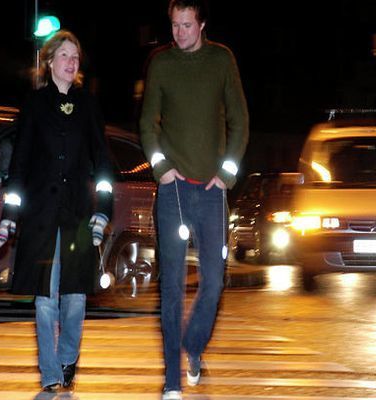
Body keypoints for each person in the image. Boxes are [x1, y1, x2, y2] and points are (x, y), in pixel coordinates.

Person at [139, 1, 249, 399]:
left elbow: (240, 121)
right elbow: (147, 123)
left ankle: (193, 344)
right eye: (174, 25)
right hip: (173, 190)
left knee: (214, 282)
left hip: (211, 191)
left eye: (186, 25)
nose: (179, 33)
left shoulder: (221, 60)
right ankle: (172, 379)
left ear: (201, 24)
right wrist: (161, 167)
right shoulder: (161, 64)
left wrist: (227, 175)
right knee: (170, 286)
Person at [0, 30, 114, 393]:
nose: (71, 62)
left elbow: (102, 160)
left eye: (75, 56)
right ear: (49, 62)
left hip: (77, 214)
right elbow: (19, 164)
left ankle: (67, 356)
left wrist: (103, 210)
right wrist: (9, 215)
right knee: (45, 298)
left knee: (75, 297)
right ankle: (49, 371)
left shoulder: (88, 105)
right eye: (64, 55)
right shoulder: (34, 105)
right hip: (41, 216)